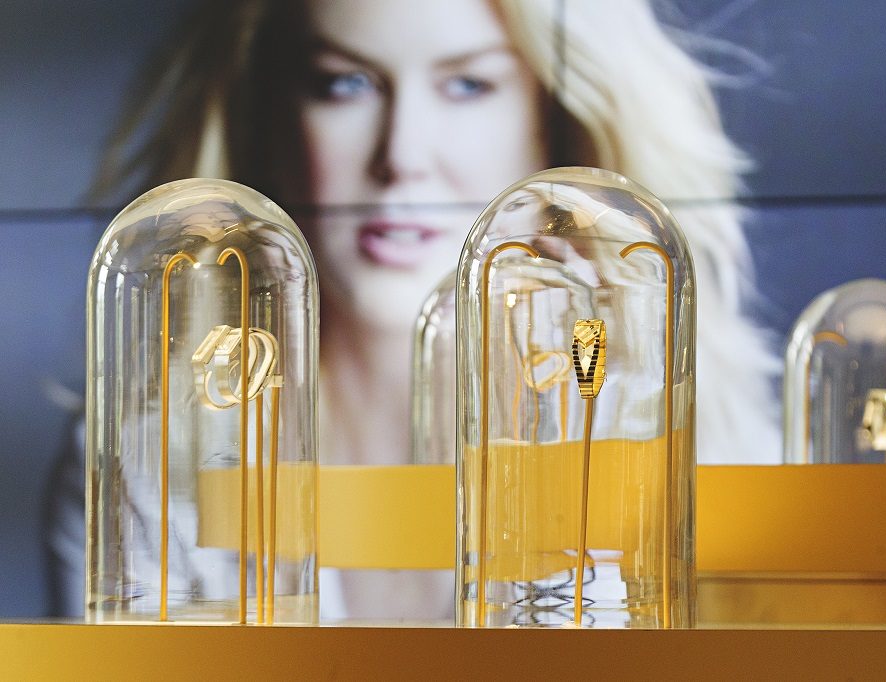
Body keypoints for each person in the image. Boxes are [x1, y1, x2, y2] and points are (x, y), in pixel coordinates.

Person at [50, 0, 780, 620]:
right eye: (345, 83)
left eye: (468, 84)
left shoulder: (704, 443)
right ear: (265, 114)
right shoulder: (150, 459)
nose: (402, 156)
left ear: (555, 121)